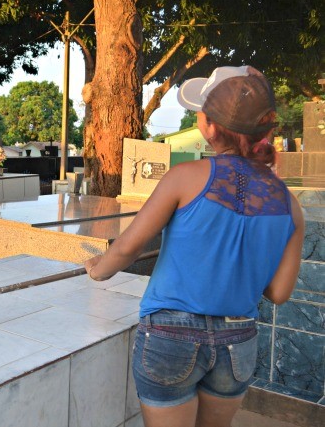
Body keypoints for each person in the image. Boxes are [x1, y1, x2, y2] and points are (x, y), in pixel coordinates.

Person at [85, 65, 304, 427]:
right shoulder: (289, 203)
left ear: (209, 126)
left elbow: (127, 249)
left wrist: (97, 269)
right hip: (238, 340)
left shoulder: (185, 177)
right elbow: (278, 292)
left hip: (171, 337)